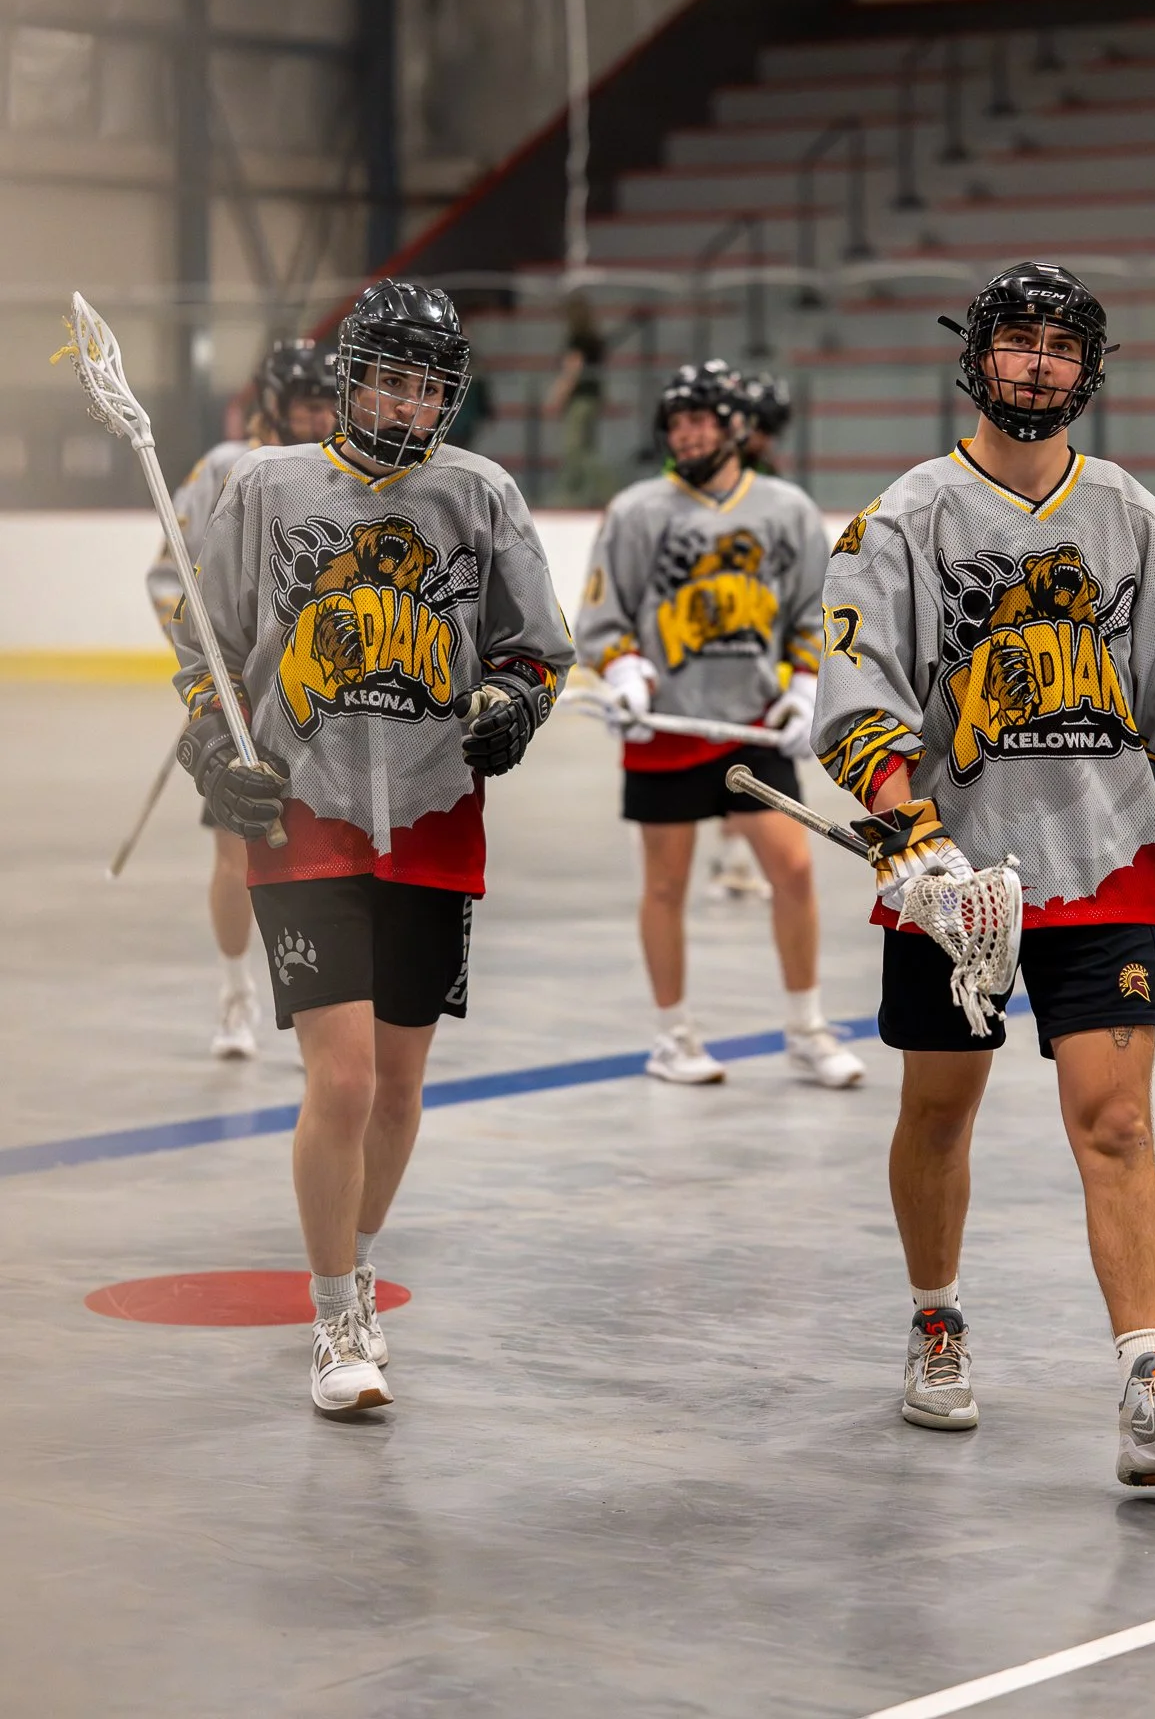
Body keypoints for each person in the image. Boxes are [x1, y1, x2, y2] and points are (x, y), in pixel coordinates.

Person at [812, 261, 1155, 1488]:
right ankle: (936, 1317)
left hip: (1106, 863)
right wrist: (912, 837)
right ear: (978, 354)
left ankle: (1151, 1382)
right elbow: (859, 694)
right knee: (939, 1110)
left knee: (1117, 1120)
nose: (1040, 363)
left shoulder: (1136, 521)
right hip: (955, 880)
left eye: (1063, 345)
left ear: (1088, 370)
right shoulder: (905, 518)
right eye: (1020, 339)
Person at [171, 280, 574, 1415]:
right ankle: (336, 1311)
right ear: (352, 378)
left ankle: (352, 1256)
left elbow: (536, 649)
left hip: (435, 822)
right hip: (304, 817)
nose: (410, 403)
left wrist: (516, 703)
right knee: (341, 1079)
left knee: (397, 1088)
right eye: (392, 379)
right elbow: (209, 650)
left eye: (429, 386)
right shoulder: (267, 488)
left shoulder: (479, 492)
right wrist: (212, 743)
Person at [575, 360, 863, 1091]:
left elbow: (812, 611)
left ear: (736, 426)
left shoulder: (785, 509)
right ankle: (672, 1035)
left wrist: (804, 685)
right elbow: (602, 616)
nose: (687, 433)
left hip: (749, 725)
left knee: (793, 871)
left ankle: (806, 1028)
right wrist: (623, 670)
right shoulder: (637, 510)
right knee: (665, 885)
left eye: (700, 419)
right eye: (676, 422)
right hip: (666, 728)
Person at [146, 337, 339, 1060]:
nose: (322, 419)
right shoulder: (227, 469)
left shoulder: (346, 472)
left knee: (330, 861)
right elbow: (173, 577)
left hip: (323, 702)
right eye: (308, 405)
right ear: (274, 405)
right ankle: (236, 993)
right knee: (237, 855)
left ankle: (328, 1008)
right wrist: (211, 673)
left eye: (329, 403)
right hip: (246, 705)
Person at [707, 371, 795, 902]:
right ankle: (733, 853)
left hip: (756, 627)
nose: (764, 439)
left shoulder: (769, 482)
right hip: (717, 628)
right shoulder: (711, 475)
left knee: (746, 740)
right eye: (761, 428)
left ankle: (735, 851)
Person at [546, 291, 613, 504]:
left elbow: (573, 369)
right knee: (585, 447)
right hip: (592, 397)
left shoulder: (578, 339)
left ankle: (605, 491)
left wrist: (558, 395)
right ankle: (587, 493)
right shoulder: (594, 339)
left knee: (576, 448)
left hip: (580, 400)